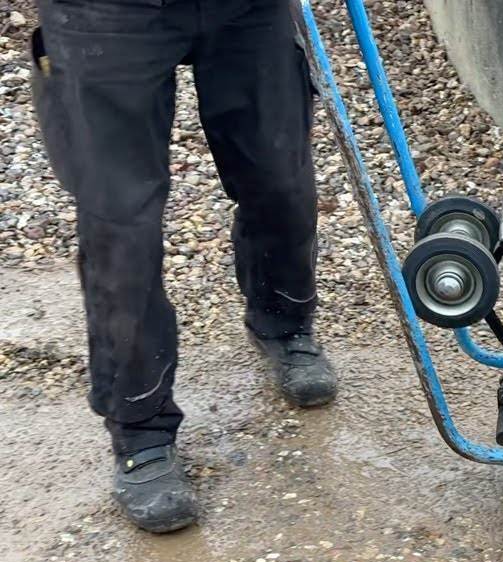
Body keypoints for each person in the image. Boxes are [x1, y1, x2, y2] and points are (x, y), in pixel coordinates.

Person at [28, 0, 338, 534]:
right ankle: (140, 426)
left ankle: (283, 322)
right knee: (121, 224)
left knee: (280, 180)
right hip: (104, 14)